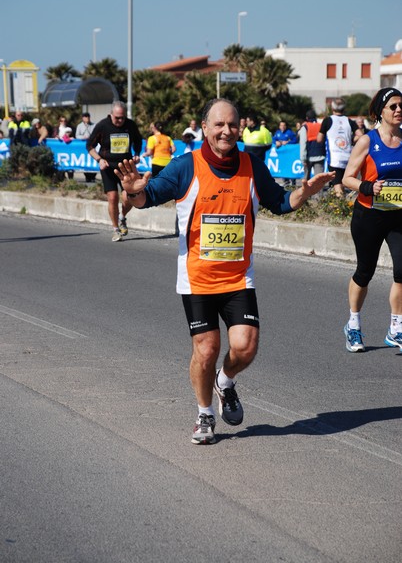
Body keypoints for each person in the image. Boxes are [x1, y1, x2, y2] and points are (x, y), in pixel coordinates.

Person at [114, 98, 334, 444]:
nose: (226, 131)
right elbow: (148, 197)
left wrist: (303, 193)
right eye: (218, 124)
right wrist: (133, 193)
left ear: (240, 128)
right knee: (206, 349)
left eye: (232, 125)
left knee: (245, 348)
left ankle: (225, 381)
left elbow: (279, 202)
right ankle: (204, 414)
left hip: (237, 278)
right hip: (198, 278)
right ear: (204, 128)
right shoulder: (185, 166)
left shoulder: (252, 165)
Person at [342, 87, 402, 353]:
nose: (399, 111)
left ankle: (396, 329)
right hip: (369, 216)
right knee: (365, 272)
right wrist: (367, 187)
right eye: (394, 107)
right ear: (381, 111)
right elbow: (347, 178)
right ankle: (353, 325)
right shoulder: (368, 141)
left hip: (398, 215)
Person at [86, 101, 143, 242]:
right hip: (108, 167)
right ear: (111, 114)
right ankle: (116, 229)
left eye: (122, 118)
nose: (120, 121)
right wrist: (99, 159)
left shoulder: (130, 125)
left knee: (129, 197)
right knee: (112, 197)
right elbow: (89, 146)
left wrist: (136, 154)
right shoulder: (102, 125)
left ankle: (122, 217)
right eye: (117, 117)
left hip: (126, 166)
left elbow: (138, 141)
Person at [317, 98, 361, 197]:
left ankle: (342, 208)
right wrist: (351, 139)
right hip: (348, 157)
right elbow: (360, 135)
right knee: (345, 182)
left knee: (337, 184)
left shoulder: (328, 120)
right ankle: (348, 203)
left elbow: (319, 139)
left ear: (332, 107)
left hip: (334, 158)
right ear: (344, 109)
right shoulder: (349, 121)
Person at [299, 109, 326, 184]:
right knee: (319, 180)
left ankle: (305, 195)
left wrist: (302, 159)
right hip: (320, 155)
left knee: (306, 180)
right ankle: (319, 196)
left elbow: (303, 144)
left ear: (307, 118)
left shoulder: (305, 127)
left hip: (308, 157)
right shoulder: (321, 126)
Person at [75, 112, 96, 182]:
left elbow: (96, 134)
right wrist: (83, 137)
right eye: (85, 117)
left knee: (92, 160)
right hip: (83, 147)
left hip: (92, 146)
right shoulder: (79, 126)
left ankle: (93, 176)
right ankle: (87, 176)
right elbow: (77, 135)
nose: (87, 118)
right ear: (83, 118)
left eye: (88, 117)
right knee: (84, 161)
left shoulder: (93, 125)